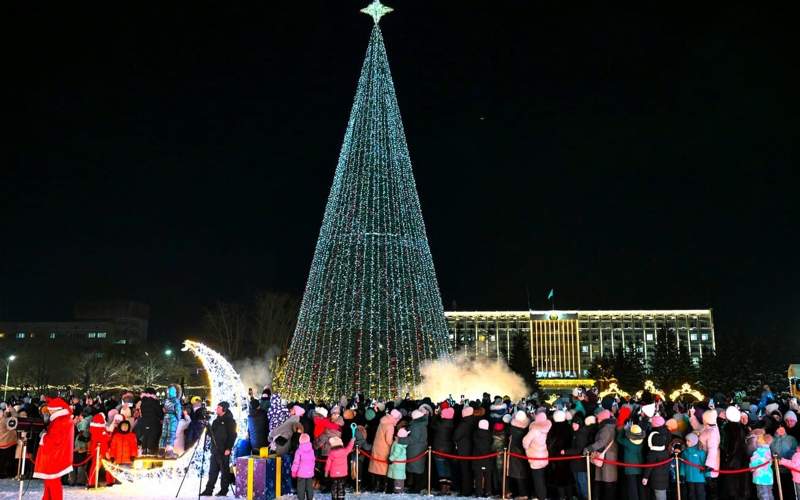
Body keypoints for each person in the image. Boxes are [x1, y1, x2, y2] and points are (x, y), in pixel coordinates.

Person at [33, 396, 74, 500]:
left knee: (53, 483)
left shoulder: (60, 421)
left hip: (54, 457)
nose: (49, 413)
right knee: (49, 484)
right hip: (56, 456)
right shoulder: (61, 419)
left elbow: (54, 440)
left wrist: (43, 435)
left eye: (50, 411)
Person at [201, 401, 237, 497]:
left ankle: (223, 490)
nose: (216, 409)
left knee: (224, 472)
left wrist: (229, 448)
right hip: (215, 450)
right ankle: (208, 490)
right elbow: (211, 434)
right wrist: (207, 427)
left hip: (224, 450)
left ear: (223, 409)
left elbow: (233, 435)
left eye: (218, 407)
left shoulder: (230, 421)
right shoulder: (216, 421)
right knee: (212, 471)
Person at [586, 409, 618, 500]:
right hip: (608, 456)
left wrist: (589, 448)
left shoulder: (606, 428)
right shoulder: (609, 426)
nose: (597, 420)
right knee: (606, 481)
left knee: (608, 482)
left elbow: (601, 442)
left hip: (607, 457)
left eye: (599, 418)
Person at [368, 408, 399, 493]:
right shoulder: (390, 426)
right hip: (384, 449)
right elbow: (388, 440)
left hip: (377, 447)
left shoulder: (383, 421)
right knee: (383, 469)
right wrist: (395, 443)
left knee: (376, 468)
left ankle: (375, 486)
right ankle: (382, 486)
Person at [523, 411, 551, 500]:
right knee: (542, 478)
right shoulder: (547, 428)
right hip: (543, 455)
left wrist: (527, 449)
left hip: (535, 456)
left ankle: (540, 496)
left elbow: (525, 441)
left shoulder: (534, 430)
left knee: (537, 479)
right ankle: (542, 495)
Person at [617, 423, 645, 500]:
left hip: (630, 469)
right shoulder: (642, 442)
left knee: (632, 489)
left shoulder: (627, 442)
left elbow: (619, 439)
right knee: (640, 488)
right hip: (640, 467)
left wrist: (624, 429)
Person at [432, 406, 456, 495]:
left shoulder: (440, 424)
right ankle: (448, 487)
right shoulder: (451, 423)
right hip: (448, 449)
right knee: (447, 469)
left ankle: (443, 488)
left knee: (441, 469)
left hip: (439, 449)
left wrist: (435, 415)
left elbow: (432, 424)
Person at [454, 405, 477, 496]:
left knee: (464, 471)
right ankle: (470, 488)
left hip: (464, 450)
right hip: (472, 449)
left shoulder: (464, 424)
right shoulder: (474, 421)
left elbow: (456, 436)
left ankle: (465, 491)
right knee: (469, 471)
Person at [87, 412, 113, 488]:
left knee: (95, 467)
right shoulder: (101, 430)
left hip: (97, 450)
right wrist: (109, 435)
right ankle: (110, 481)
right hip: (102, 451)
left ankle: (91, 482)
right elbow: (105, 439)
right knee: (106, 466)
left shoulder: (94, 430)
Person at [405, 409, 429, 493]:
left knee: (416, 469)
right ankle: (417, 486)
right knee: (418, 468)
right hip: (420, 448)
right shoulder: (421, 423)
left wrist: (401, 439)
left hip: (415, 449)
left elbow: (413, 439)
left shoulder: (416, 426)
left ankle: (417, 487)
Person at [642, 430, 670, 500]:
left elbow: (649, 467)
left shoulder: (652, 454)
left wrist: (645, 477)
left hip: (656, 479)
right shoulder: (666, 452)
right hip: (664, 479)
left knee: (659, 496)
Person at [681, 433, 707, 500]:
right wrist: (682, 474)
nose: (686, 442)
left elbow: (705, 465)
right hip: (689, 478)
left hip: (699, 479)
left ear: (693, 441)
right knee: (691, 495)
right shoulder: (685, 452)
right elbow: (683, 464)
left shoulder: (701, 452)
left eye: (688, 441)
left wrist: (708, 476)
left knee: (700, 495)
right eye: (686, 440)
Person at [472, 419, 494, 497]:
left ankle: (479, 492)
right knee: (488, 476)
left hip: (477, 459)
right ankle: (488, 491)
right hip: (487, 459)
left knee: (478, 476)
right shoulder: (490, 435)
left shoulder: (475, 434)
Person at [136, 388, 162, 455]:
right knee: (152, 436)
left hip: (143, 421)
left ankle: (144, 450)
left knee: (145, 436)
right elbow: (159, 412)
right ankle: (150, 452)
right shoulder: (155, 402)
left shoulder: (142, 401)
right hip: (153, 422)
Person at [160, 384, 182, 458]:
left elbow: (164, 409)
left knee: (164, 434)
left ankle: (161, 451)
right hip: (173, 418)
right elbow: (178, 411)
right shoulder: (176, 400)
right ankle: (169, 452)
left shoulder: (166, 400)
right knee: (171, 434)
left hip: (166, 417)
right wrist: (178, 418)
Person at [750, 432, 774, 500]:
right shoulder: (768, 450)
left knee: (762, 495)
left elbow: (753, 464)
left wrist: (751, 467)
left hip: (760, 477)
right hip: (768, 477)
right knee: (769, 493)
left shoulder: (757, 452)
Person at [291, 433, 315, 500]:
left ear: (300, 441)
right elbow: (313, 461)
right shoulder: (312, 451)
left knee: (301, 488)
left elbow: (296, 462)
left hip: (301, 474)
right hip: (310, 473)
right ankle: (310, 498)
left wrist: (294, 471)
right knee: (309, 487)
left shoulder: (298, 451)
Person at [388, 428, 409, 493]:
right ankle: (397, 489)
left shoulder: (398, 443)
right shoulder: (402, 442)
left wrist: (390, 459)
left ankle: (398, 490)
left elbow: (396, 453)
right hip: (399, 464)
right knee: (398, 476)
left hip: (397, 463)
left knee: (398, 478)